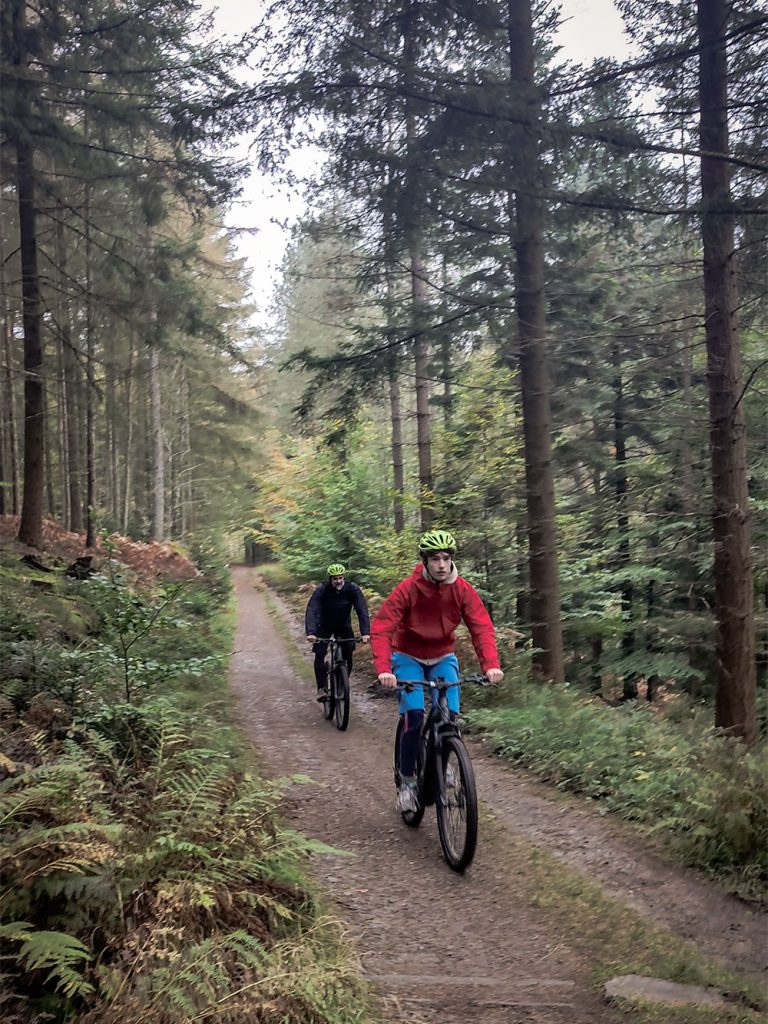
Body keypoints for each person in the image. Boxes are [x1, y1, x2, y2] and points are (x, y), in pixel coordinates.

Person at [371, 530, 503, 812]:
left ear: (452, 559)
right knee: (415, 717)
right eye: (434, 559)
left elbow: (481, 627)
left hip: (443, 657)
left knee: (449, 719)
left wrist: (490, 664)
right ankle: (407, 783)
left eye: (446, 558)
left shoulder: (462, 589)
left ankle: (442, 762)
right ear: (425, 561)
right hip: (408, 657)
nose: (441, 565)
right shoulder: (408, 589)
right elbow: (382, 628)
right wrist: (384, 669)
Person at [305, 563, 371, 700]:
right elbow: (312, 609)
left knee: (348, 654)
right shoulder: (322, 590)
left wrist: (365, 632)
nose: (338, 581)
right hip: (324, 625)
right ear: (330, 579)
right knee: (320, 653)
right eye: (335, 578)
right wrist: (311, 632)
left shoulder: (352, 589)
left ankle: (342, 682)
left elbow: (362, 610)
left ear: (344, 578)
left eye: (340, 578)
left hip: (344, 626)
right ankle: (321, 688)